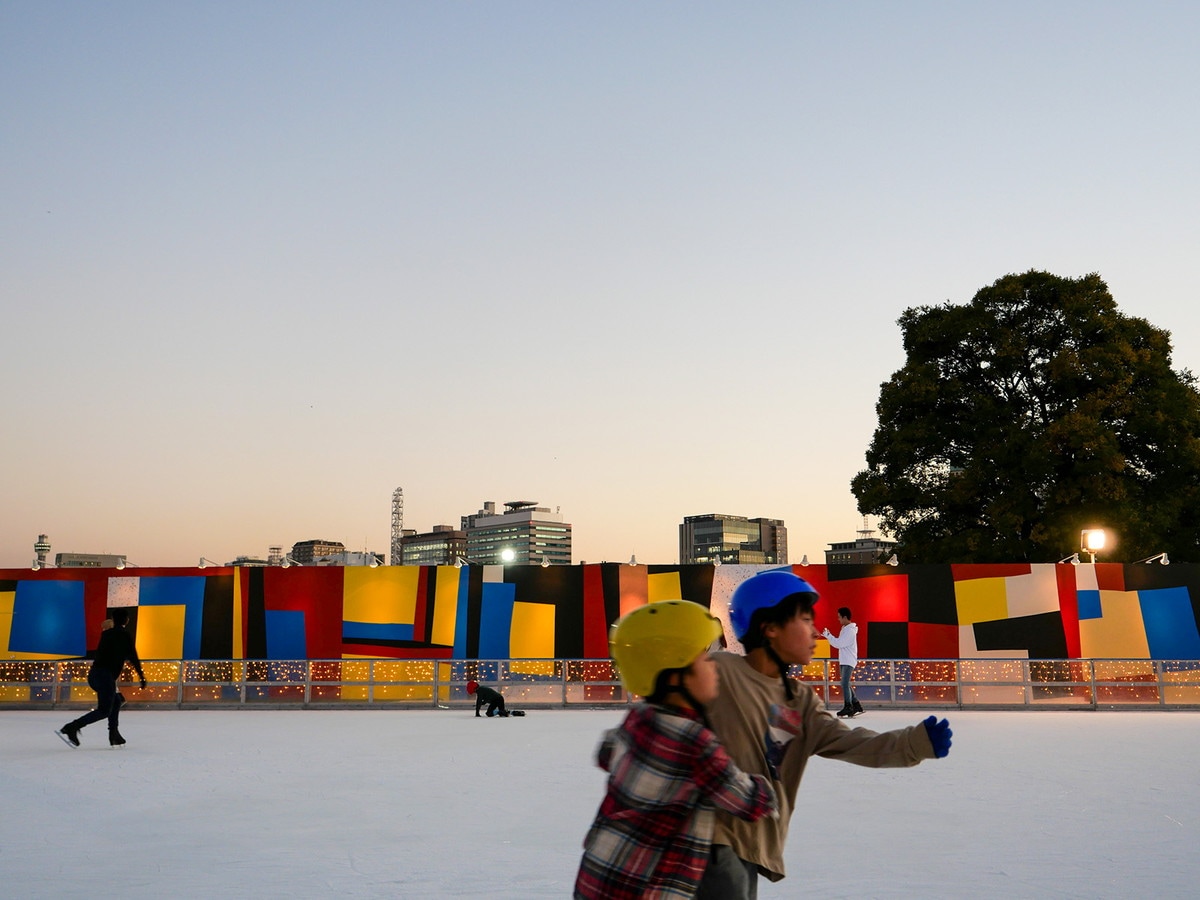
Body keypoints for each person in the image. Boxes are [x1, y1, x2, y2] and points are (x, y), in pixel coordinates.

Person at [696, 570, 952, 899]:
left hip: (753, 844)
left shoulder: (800, 701)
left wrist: (914, 743)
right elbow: (666, 714)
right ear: (769, 627)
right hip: (710, 838)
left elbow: (854, 743)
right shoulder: (719, 672)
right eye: (804, 620)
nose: (816, 632)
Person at [575, 600, 777, 900]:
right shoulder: (695, 744)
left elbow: (607, 752)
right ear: (674, 675)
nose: (715, 667)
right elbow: (750, 802)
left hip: (600, 875)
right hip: (643, 888)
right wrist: (767, 772)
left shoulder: (638, 719)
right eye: (706, 660)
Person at [56, 608, 147, 748]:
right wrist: (141, 676)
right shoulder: (124, 635)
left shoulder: (106, 635)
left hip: (95, 675)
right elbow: (133, 657)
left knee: (116, 701)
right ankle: (72, 727)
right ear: (127, 620)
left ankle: (114, 733)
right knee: (104, 710)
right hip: (106, 677)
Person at [823, 606, 863, 718]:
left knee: (844, 683)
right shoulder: (845, 630)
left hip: (848, 661)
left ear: (845, 617)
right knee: (846, 683)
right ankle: (856, 704)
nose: (838, 619)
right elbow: (839, 643)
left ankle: (848, 706)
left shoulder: (849, 631)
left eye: (839, 617)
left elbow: (839, 644)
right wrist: (828, 636)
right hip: (845, 660)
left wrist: (828, 636)